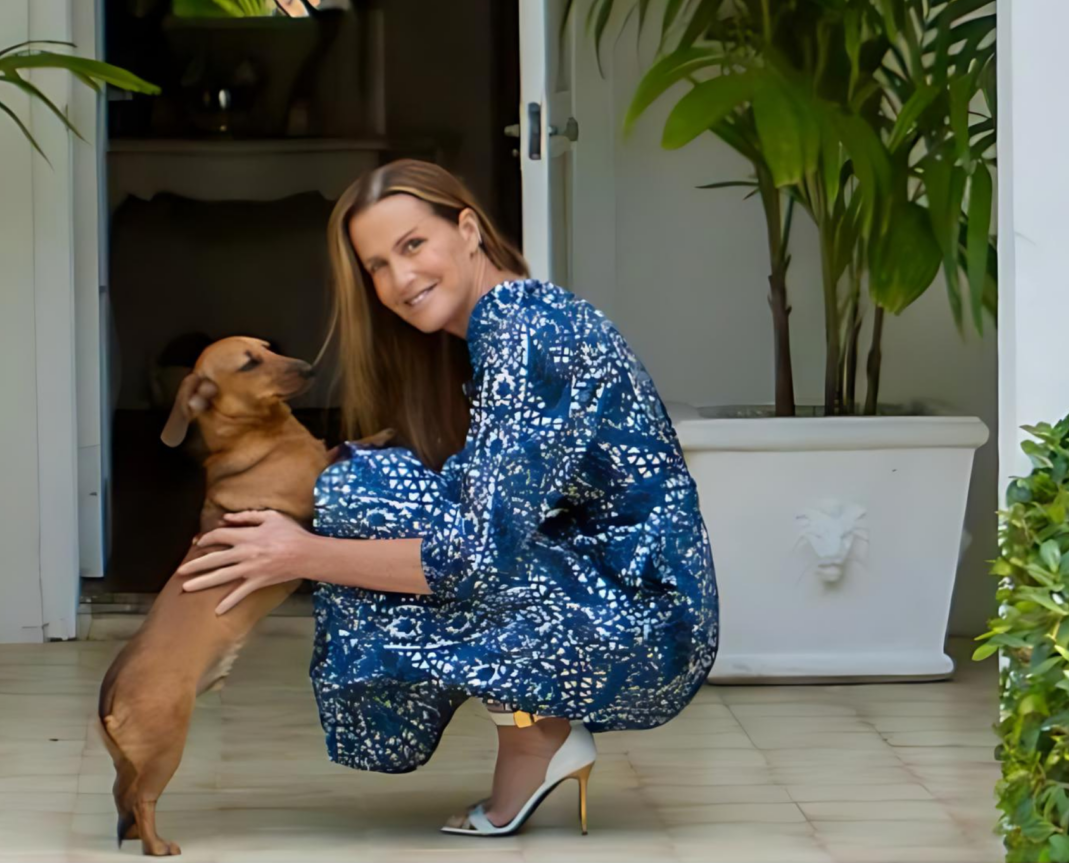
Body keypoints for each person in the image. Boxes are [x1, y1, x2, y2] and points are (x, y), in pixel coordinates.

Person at [177, 159, 719, 836]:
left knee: (357, 498)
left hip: (645, 625)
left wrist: (301, 554)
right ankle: (534, 728)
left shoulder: (526, 335)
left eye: (412, 245)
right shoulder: (499, 328)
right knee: (363, 483)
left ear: (467, 229)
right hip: (605, 590)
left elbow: (473, 559)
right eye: (376, 265)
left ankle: (535, 737)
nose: (399, 279)